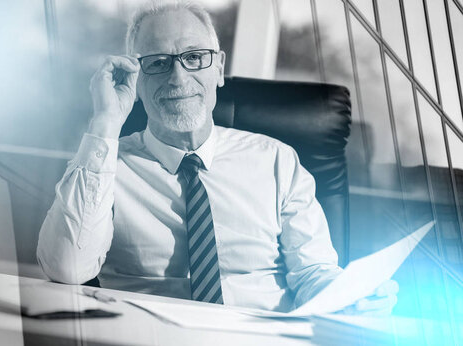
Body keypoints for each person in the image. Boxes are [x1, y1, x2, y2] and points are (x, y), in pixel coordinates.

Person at [37, 2, 397, 314]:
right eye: (158, 63)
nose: (178, 78)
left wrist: (351, 296)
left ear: (218, 68)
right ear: (137, 79)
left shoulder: (277, 161)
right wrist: (105, 122)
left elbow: (312, 271)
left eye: (194, 58)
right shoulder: (106, 165)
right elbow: (67, 268)